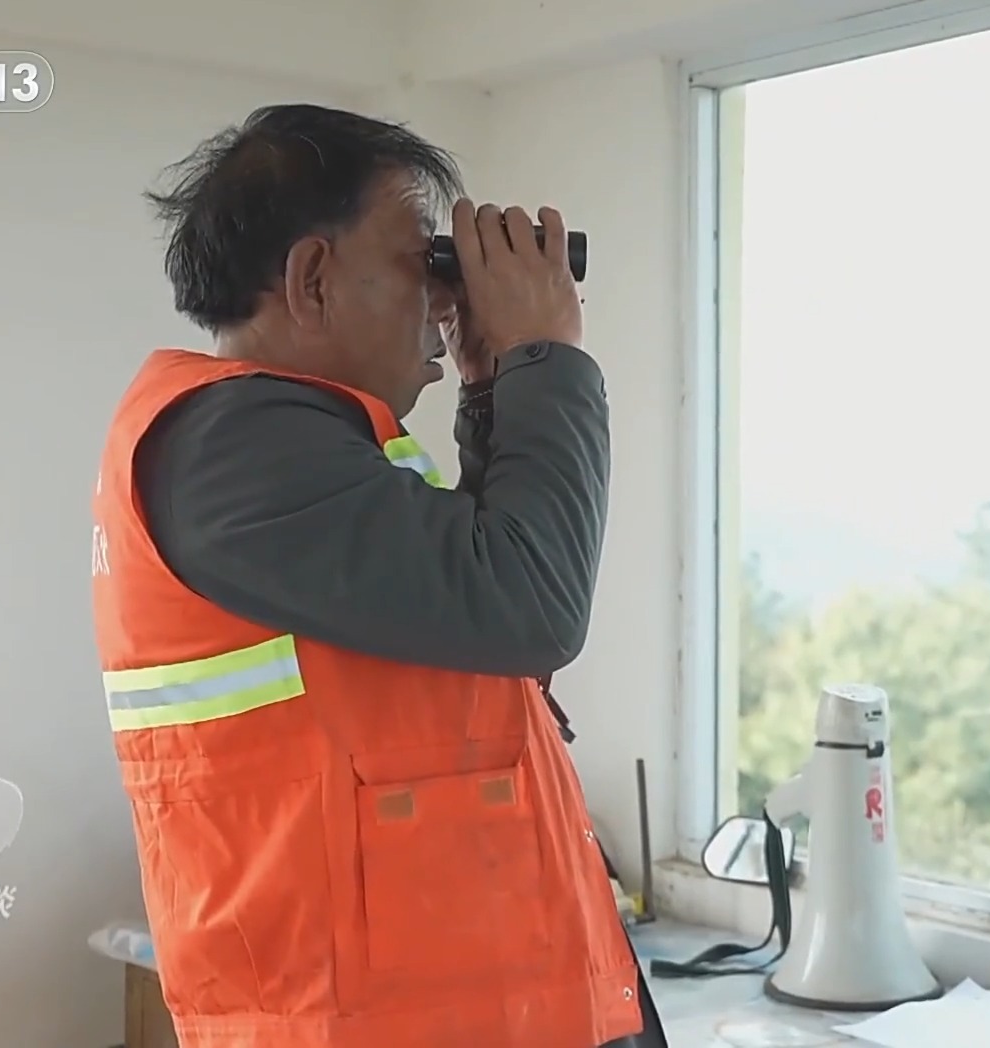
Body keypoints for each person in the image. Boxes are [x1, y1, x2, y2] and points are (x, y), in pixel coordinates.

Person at [88, 104, 668, 1048]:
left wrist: (495, 388)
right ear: (312, 279)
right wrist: (549, 357)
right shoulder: (234, 447)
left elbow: (481, 639)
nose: (442, 301)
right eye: (420, 262)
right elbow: (532, 606)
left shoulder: (305, 449)